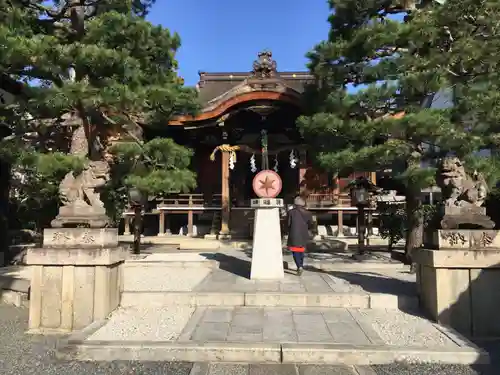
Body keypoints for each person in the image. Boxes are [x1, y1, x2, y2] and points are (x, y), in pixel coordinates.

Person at [287, 196, 312, 275]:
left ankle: (299, 266)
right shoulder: (308, 213)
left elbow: (288, 224)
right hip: (304, 234)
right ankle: (301, 265)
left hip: (294, 234)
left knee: (295, 251)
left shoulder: (291, 212)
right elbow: (310, 224)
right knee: (301, 251)